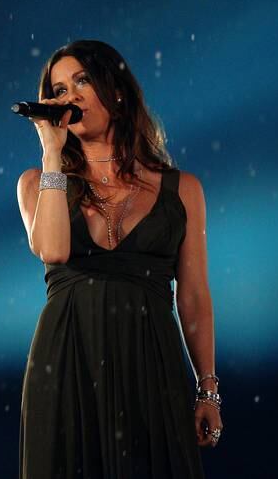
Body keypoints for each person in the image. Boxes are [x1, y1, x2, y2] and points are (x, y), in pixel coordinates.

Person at [16, 40, 222, 478]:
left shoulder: (182, 189)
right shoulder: (37, 182)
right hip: (68, 358)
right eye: (58, 88)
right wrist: (51, 150)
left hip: (151, 361)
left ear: (117, 91)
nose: (68, 95)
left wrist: (207, 388)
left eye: (82, 81)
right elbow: (52, 250)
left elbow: (194, 295)